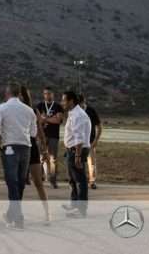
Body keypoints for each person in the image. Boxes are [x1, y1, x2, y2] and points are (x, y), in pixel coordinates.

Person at [0, 83, 37, 229]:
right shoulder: (29, 110)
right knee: (20, 183)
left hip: (9, 147)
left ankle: (18, 218)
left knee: (12, 183)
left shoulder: (1, 108)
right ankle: (12, 215)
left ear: (7, 93)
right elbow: (33, 133)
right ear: (19, 94)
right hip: (25, 148)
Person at [19, 85, 51, 223]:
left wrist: (44, 150)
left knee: (37, 182)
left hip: (28, 146)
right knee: (20, 183)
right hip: (22, 146)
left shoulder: (32, 110)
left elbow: (40, 131)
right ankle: (16, 213)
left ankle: (47, 213)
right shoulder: (18, 110)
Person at [61, 90, 91, 218]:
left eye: (64, 100)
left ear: (71, 101)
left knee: (80, 181)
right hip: (72, 150)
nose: (62, 103)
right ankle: (74, 204)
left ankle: (81, 210)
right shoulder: (73, 113)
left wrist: (78, 156)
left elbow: (79, 138)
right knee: (73, 180)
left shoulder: (78, 115)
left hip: (77, 151)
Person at [35, 87, 64, 189]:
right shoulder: (39, 106)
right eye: (46, 93)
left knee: (53, 159)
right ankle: (40, 179)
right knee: (40, 158)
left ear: (53, 94)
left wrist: (45, 118)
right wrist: (51, 118)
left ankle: (53, 180)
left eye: (49, 93)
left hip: (53, 136)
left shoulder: (58, 106)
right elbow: (37, 120)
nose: (47, 95)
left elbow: (58, 120)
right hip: (41, 135)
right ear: (43, 95)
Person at [80, 94, 102, 189]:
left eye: (80, 103)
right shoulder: (75, 111)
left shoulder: (91, 111)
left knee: (91, 162)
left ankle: (92, 181)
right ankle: (80, 180)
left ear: (84, 101)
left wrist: (96, 140)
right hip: (78, 142)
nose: (79, 106)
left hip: (90, 141)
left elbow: (99, 126)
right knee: (78, 162)